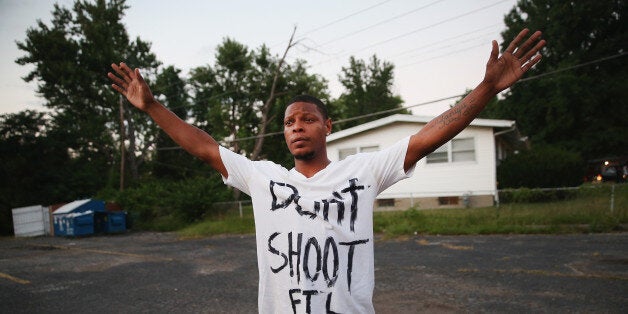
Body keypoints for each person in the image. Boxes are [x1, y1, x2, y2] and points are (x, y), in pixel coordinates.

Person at [109, 29, 545, 314]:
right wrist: (151, 106)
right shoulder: (264, 178)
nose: (296, 127)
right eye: (288, 122)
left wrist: (487, 87)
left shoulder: (364, 171)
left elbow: (432, 134)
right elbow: (204, 147)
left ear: (327, 126)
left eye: (306, 119)